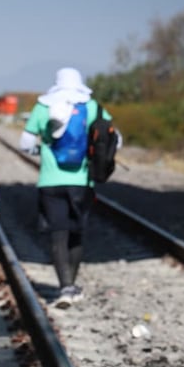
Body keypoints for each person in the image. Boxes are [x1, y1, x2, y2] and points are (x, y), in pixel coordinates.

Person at [20, 67, 112, 309]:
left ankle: (65, 287)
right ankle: (71, 285)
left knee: (58, 234)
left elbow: (25, 143)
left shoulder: (43, 106)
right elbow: (115, 138)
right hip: (82, 182)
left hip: (50, 181)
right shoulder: (91, 106)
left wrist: (42, 151)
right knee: (77, 232)